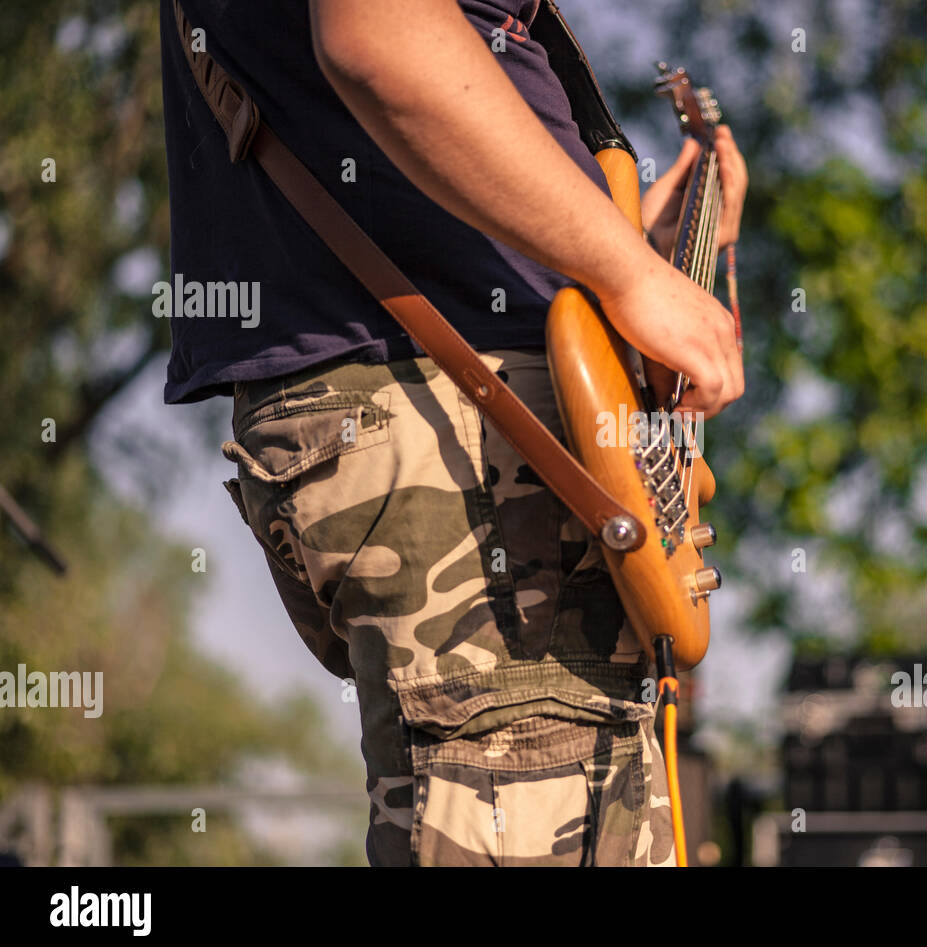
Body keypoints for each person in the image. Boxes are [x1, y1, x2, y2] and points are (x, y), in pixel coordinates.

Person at [160, 0, 746, 865]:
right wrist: (630, 276)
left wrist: (626, 254)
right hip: (460, 411)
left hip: (442, 409)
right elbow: (381, 34)